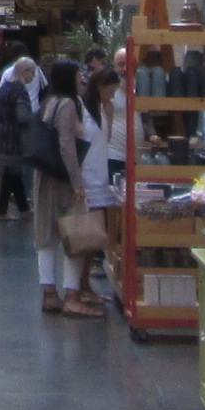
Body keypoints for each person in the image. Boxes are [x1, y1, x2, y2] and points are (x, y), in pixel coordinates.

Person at [30, 59, 93, 315]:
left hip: (45, 176)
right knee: (75, 234)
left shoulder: (49, 101)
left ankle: (49, 294)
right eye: (78, 75)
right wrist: (77, 182)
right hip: (62, 179)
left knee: (46, 235)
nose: (81, 79)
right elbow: (66, 145)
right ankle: (72, 296)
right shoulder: (68, 104)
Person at [67, 64, 125, 312]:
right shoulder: (80, 108)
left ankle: (85, 286)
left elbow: (105, 139)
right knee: (84, 237)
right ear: (100, 87)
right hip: (86, 178)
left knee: (95, 237)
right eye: (110, 91)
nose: (112, 97)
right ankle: (78, 287)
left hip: (100, 175)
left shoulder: (103, 109)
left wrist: (109, 114)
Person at [0, 53, 39, 220]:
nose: (33, 76)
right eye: (31, 72)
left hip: (0, 136)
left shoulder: (5, 87)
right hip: (14, 139)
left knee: (13, 173)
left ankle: (23, 209)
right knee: (10, 174)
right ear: (24, 71)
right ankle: (2, 211)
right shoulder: (20, 91)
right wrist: (36, 119)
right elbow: (22, 117)